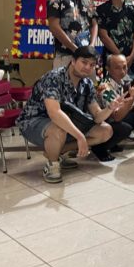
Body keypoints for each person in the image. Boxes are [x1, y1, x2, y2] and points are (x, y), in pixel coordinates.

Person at [17, 46, 117, 183]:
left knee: (105, 130)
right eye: (84, 62)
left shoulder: (87, 83)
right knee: (59, 129)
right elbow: (54, 113)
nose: (88, 67)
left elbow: (97, 116)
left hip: (66, 121)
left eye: (92, 65)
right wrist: (80, 136)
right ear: (73, 61)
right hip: (34, 122)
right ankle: (52, 164)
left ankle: (57, 152)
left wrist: (110, 108)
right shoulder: (54, 77)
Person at [46, 0, 97, 69]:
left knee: (89, 81)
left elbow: (94, 24)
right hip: (65, 55)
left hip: (87, 56)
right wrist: (75, 49)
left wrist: (92, 46)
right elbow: (54, 27)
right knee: (63, 81)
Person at [94, 54, 134, 161]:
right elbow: (116, 117)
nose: (122, 71)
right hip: (99, 124)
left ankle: (112, 143)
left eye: (124, 67)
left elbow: (121, 107)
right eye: (117, 68)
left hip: (111, 119)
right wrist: (132, 97)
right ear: (107, 68)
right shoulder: (104, 86)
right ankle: (99, 148)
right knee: (125, 128)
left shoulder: (120, 82)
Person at [97, 0, 134, 74]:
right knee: (110, 83)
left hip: (131, 58)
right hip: (112, 58)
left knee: (133, 83)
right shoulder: (102, 9)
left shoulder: (133, 9)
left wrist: (132, 55)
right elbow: (103, 36)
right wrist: (121, 57)